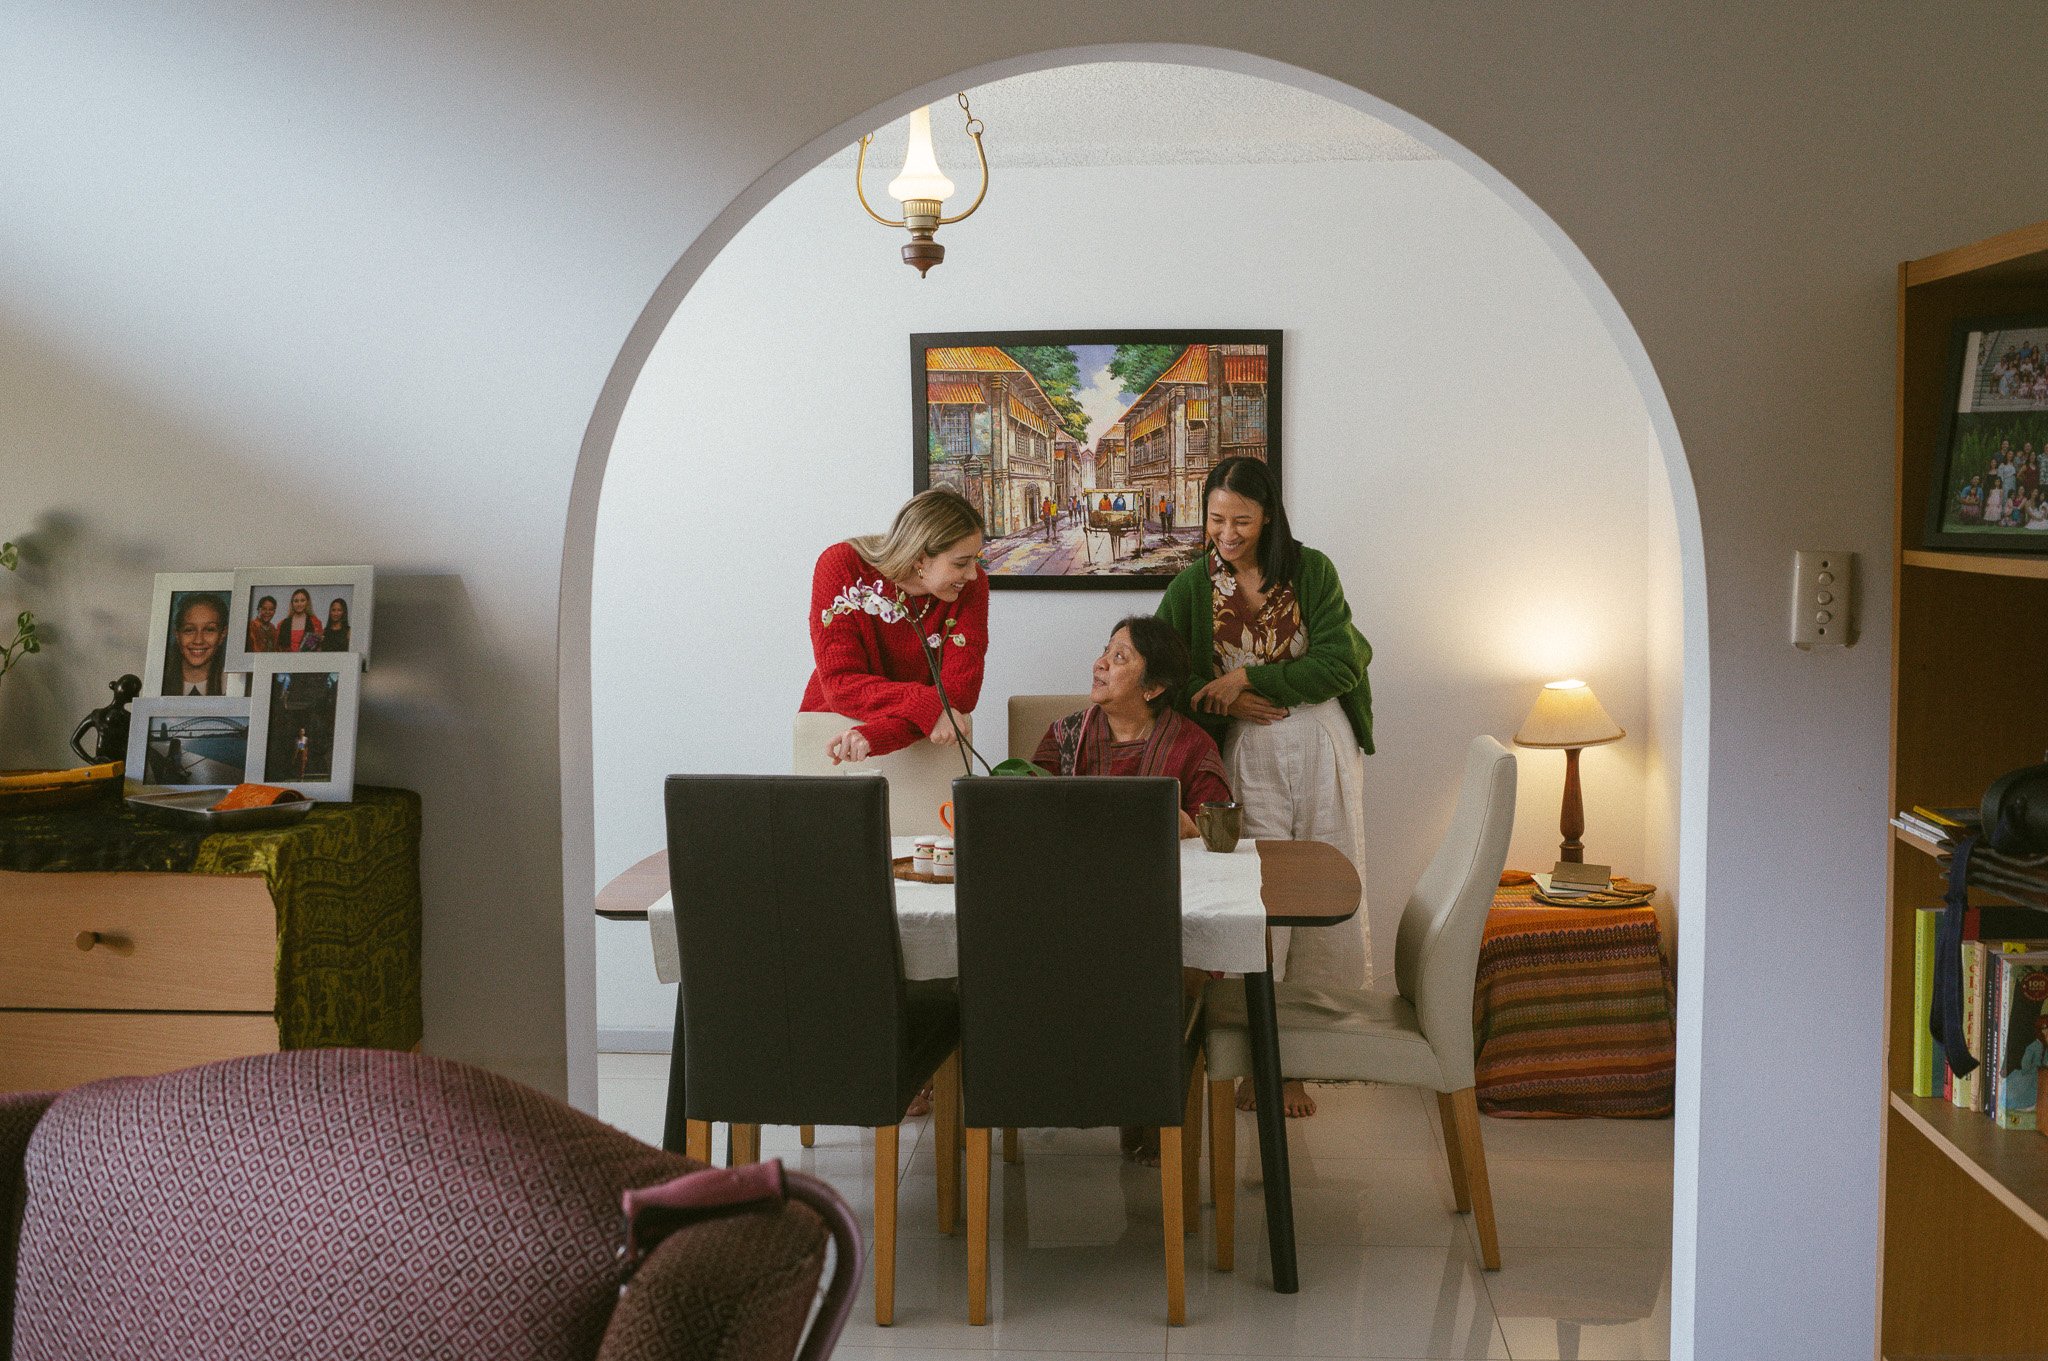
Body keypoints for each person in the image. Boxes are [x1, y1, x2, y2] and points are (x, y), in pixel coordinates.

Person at [1157, 455, 1374, 1119]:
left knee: (1324, 893)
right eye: (1217, 518)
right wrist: (1224, 702)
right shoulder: (1194, 586)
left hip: (1321, 743)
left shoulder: (1312, 570)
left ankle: (1302, 1064)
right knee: (1254, 904)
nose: (1227, 532)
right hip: (1243, 756)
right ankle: (1259, 1056)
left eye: (1241, 520)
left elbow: (1338, 662)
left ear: (1269, 515)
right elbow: (1167, 678)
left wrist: (1254, 682)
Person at [803, 488, 989, 767]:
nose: (973, 573)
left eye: (975, 559)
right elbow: (841, 682)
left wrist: (876, 736)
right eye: (961, 563)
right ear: (919, 559)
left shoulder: (971, 587)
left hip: (924, 745)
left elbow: (960, 693)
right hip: (836, 738)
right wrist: (927, 707)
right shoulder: (841, 565)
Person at [1032, 616, 1232, 837]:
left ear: (1154, 687)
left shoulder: (1195, 748)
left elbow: (1218, 840)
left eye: (1119, 657)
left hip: (1164, 871)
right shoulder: (1064, 736)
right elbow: (1028, 813)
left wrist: (1189, 829)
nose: (1100, 663)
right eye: (1105, 651)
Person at [162, 593, 229, 696]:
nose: (198, 640)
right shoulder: (159, 685)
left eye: (209, 630)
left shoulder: (235, 687)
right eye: (189, 630)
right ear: (177, 635)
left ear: (222, 635)